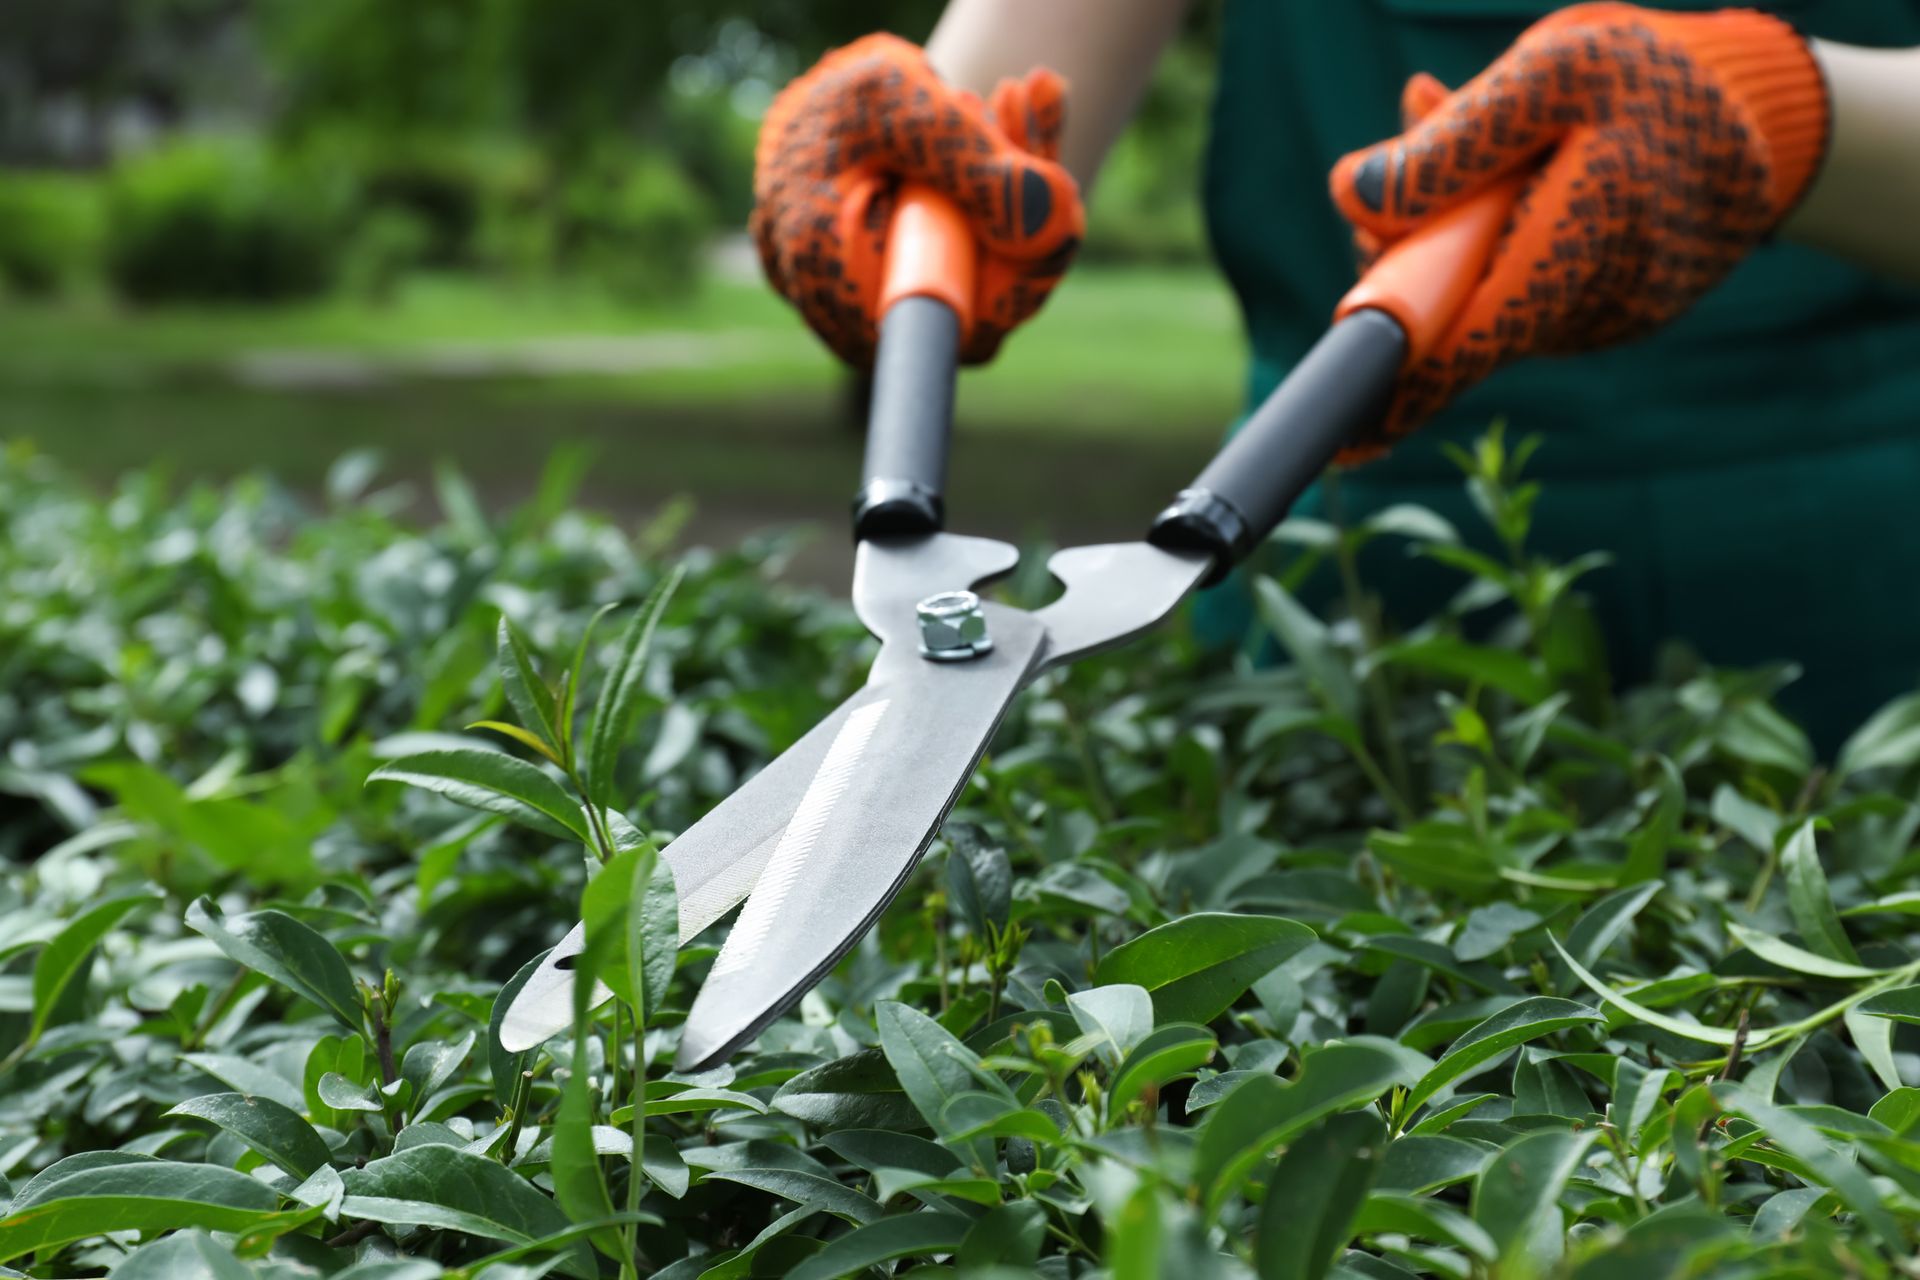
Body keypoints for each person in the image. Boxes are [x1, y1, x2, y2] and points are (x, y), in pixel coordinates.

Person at [750, 2, 1920, 748]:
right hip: (1332, 611)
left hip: (1867, 596)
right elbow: (994, 103)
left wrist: (1797, 120)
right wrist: (900, 164)